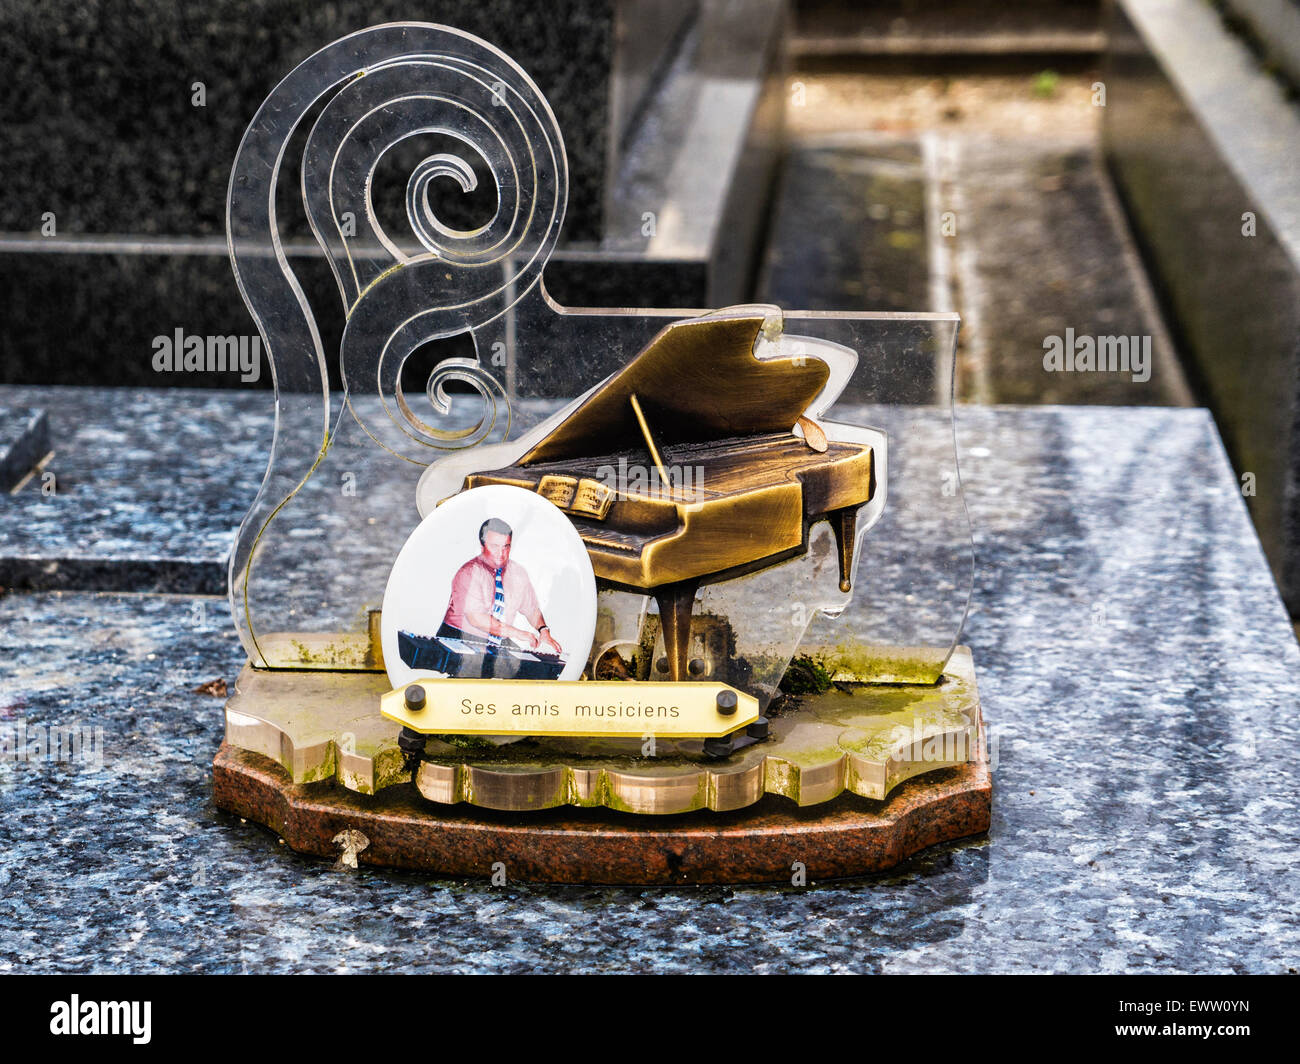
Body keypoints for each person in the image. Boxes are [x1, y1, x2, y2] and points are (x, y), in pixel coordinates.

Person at [439, 517, 562, 657]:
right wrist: (518, 633)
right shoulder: (468, 573)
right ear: (482, 545)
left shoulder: (518, 572)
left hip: (497, 640)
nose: (501, 554)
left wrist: (543, 630)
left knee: (535, 669)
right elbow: (477, 619)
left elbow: (531, 609)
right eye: (495, 546)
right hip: (459, 637)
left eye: (506, 547)